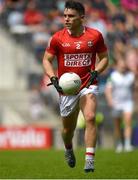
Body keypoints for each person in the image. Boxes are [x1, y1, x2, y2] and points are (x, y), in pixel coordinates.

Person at [43, 0, 109, 172]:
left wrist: (96, 72)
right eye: (64, 15)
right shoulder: (57, 38)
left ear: (81, 17)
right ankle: (68, 149)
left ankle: (89, 160)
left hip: (88, 83)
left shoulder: (95, 36)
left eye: (70, 16)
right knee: (67, 130)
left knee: (90, 117)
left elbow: (104, 59)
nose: (66, 19)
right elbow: (46, 60)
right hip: (66, 89)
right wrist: (53, 77)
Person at [105, 56, 135, 153]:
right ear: (117, 65)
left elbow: (134, 88)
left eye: (124, 65)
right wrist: (110, 100)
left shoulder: (131, 76)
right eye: (121, 65)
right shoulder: (113, 76)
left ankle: (127, 144)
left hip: (128, 102)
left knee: (128, 122)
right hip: (116, 103)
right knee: (117, 125)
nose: (122, 67)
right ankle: (119, 144)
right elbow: (108, 90)